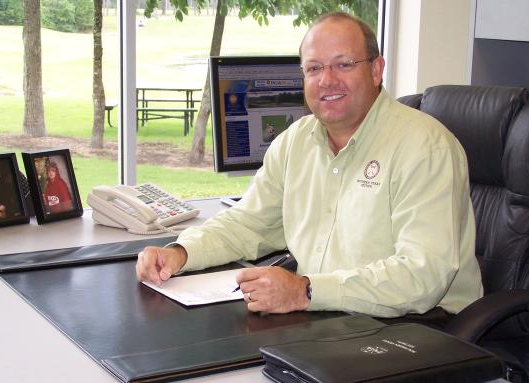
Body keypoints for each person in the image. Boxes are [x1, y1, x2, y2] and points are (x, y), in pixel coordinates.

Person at [135, 12, 483, 319]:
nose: (327, 80)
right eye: (314, 68)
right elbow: (248, 224)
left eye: (344, 64)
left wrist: (304, 291)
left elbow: (423, 276)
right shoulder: (296, 141)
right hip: (330, 319)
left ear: (377, 70)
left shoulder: (424, 148)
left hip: (419, 328)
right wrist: (180, 252)